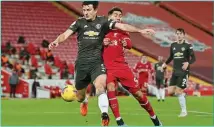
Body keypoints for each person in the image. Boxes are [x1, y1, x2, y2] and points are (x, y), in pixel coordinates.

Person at [48, 1, 155, 126]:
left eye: (88, 10)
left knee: (100, 87)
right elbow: (65, 34)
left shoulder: (103, 21)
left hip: (97, 63)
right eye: (84, 10)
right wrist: (56, 41)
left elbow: (122, 27)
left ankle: (104, 114)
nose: (86, 13)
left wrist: (140, 31)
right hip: (82, 64)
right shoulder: (79, 22)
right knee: (80, 97)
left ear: (95, 10)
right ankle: (85, 101)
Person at [101, 7, 162, 126]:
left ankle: (154, 118)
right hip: (108, 68)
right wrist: (102, 42)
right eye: (115, 15)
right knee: (111, 90)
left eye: (120, 15)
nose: (118, 17)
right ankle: (120, 121)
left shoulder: (123, 30)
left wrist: (126, 43)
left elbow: (129, 44)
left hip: (122, 67)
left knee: (139, 94)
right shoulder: (103, 29)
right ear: (109, 17)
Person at [162, 28, 196, 117]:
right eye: (177, 33)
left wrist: (188, 63)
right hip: (175, 71)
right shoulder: (173, 45)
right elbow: (171, 56)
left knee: (178, 92)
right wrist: (165, 63)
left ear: (183, 35)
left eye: (180, 34)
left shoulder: (188, 45)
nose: (179, 35)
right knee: (170, 92)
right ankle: (183, 94)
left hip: (183, 72)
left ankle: (184, 111)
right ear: (175, 35)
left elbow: (193, 58)